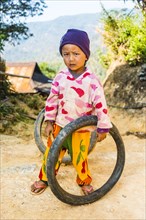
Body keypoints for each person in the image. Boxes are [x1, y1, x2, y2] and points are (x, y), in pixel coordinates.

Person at [31, 29, 112, 195]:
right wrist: (49, 122)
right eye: (66, 54)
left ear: (86, 55)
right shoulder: (60, 77)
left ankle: (84, 181)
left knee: (80, 158)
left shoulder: (92, 80)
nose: (71, 58)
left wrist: (103, 127)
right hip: (59, 126)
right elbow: (52, 100)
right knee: (51, 154)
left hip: (80, 130)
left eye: (76, 53)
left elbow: (100, 105)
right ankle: (45, 178)